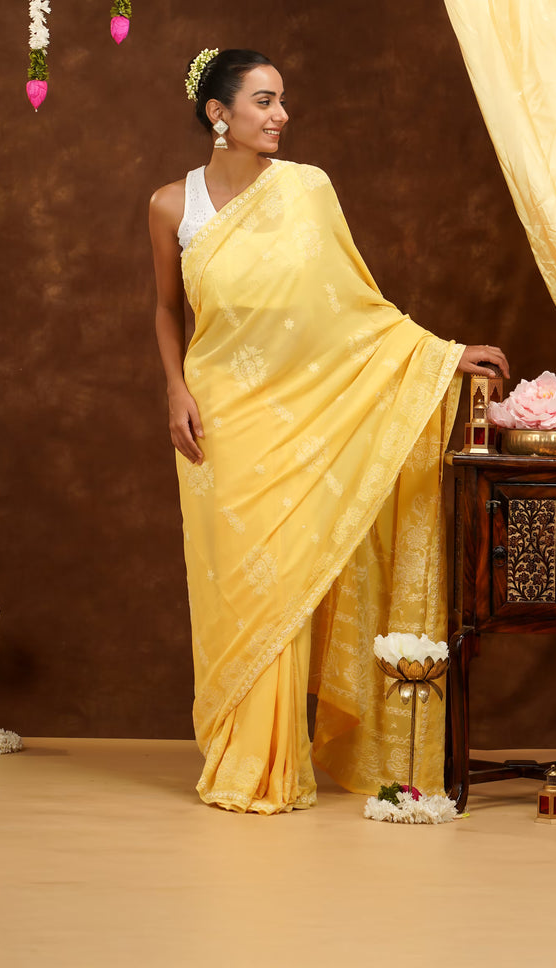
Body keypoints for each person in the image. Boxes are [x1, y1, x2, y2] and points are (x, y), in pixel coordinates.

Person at [149, 48, 509, 814]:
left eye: (282, 101)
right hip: (221, 419)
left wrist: (441, 357)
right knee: (236, 587)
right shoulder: (170, 206)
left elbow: (353, 307)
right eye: (264, 101)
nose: (281, 115)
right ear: (220, 114)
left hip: (299, 412)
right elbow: (165, 309)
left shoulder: (307, 190)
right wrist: (174, 387)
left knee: (286, 577)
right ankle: (239, 748)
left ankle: (275, 763)